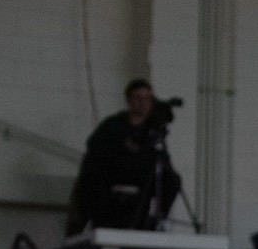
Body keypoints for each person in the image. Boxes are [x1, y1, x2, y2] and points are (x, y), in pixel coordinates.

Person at [70, 78, 180, 234]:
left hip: (141, 182)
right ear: (129, 100)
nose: (142, 103)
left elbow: (162, 162)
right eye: (138, 98)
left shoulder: (153, 130)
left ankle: (158, 220)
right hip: (112, 179)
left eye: (147, 98)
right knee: (93, 174)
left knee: (172, 180)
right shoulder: (113, 125)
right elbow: (95, 153)